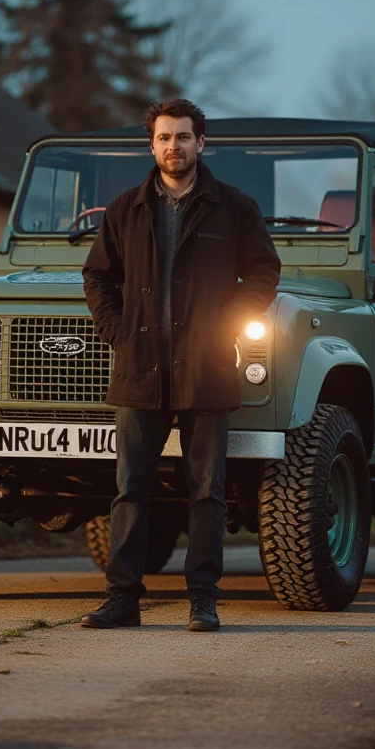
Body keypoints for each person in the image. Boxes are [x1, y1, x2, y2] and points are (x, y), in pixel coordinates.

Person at [80, 98, 281, 632]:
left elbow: (264, 271)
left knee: (206, 491)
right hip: (139, 367)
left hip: (206, 368)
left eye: (184, 137)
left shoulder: (234, 207)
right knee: (129, 489)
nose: (175, 147)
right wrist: (116, 331)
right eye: (165, 138)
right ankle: (122, 599)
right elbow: (97, 276)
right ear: (152, 145)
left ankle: (203, 600)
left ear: (201, 144)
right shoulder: (126, 208)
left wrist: (227, 324)